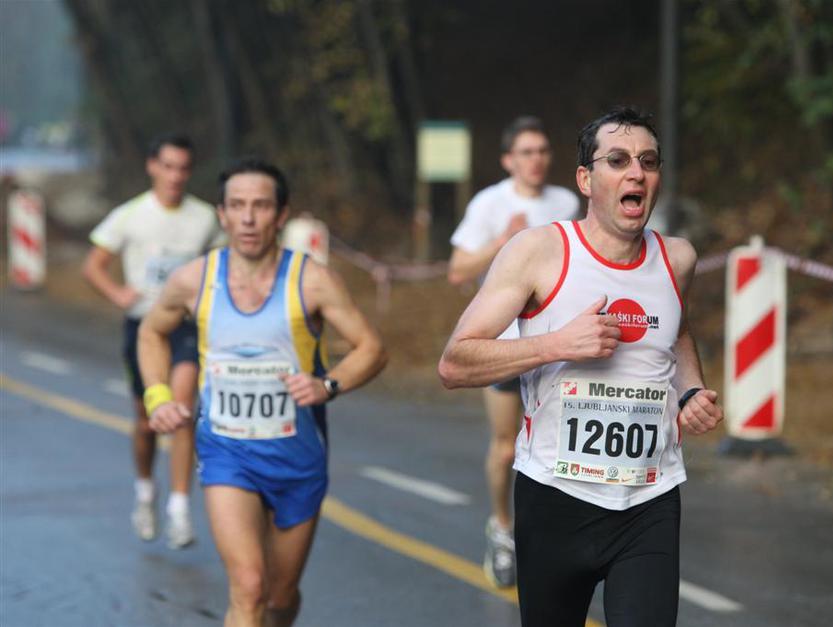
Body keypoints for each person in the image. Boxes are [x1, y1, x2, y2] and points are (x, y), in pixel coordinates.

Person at [439, 106, 724, 626]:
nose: (636, 172)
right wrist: (557, 343)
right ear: (585, 180)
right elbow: (455, 363)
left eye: (648, 161)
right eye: (617, 160)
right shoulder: (539, 252)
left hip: (649, 498)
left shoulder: (678, 258)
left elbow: (677, 329)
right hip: (556, 497)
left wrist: (690, 390)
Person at [138, 158, 386, 627]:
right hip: (227, 455)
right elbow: (151, 332)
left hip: (298, 459)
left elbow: (372, 348)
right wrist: (158, 396)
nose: (248, 218)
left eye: (260, 206)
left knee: (279, 597)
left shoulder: (311, 280)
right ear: (222, 214)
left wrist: (328, 385)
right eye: (237, 206)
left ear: (281, 214)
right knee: (249, 588)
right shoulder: (195, 279)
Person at [447, 115, 580, 588]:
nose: (536, 160)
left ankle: (553, 538)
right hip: (503, 344)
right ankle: (503, 527)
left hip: (559, 344)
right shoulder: (489, 203)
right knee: (507, 448)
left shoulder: (566, 202)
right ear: (508, 160)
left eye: (542, 151)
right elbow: (458, 270)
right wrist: (502, 242)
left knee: (561, 446)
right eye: (526, 152)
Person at [82, 133, 221, 549]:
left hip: (186, 326)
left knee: (181, 410)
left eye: (183, 168)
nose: (175, 176)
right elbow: (94, 265)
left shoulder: (204, 217)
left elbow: (221, 264)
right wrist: (117, 293)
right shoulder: (131, 214)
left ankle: (179, 509)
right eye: (168, 166)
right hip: (144, 327)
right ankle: (145, 492)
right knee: (147, 420)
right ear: (152, 166)